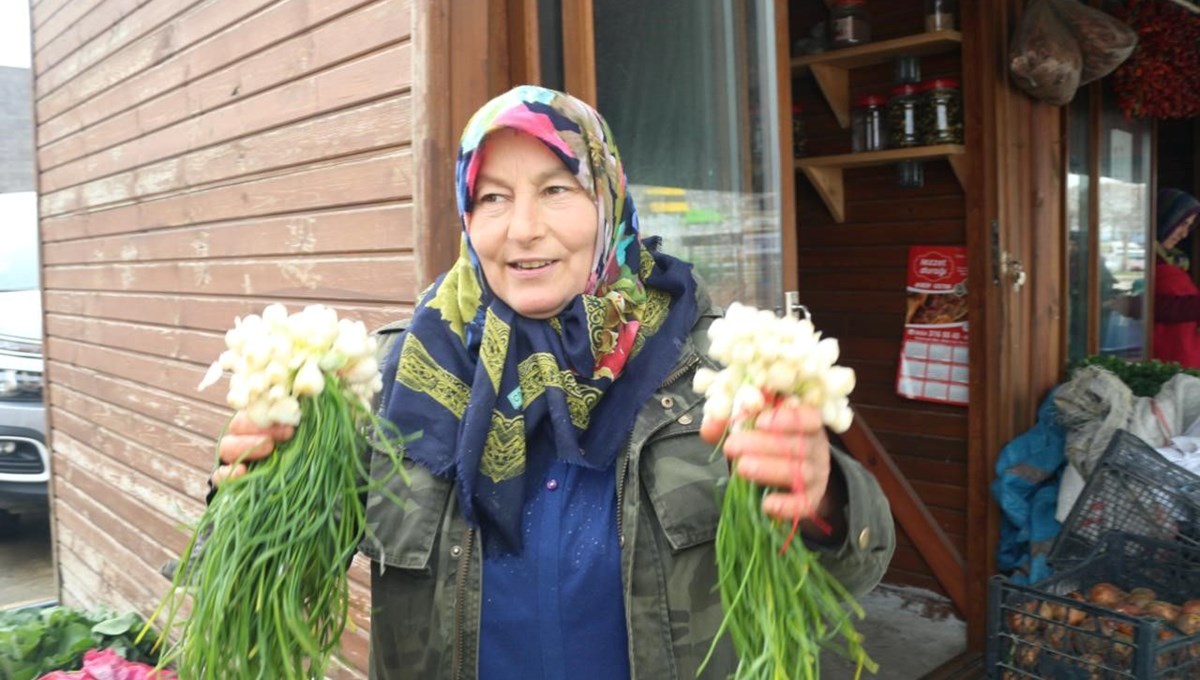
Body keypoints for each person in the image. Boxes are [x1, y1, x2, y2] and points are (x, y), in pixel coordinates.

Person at [214, 85, 895, 680]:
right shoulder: (399, 376)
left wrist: (825, 500)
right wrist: (250, 494)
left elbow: (853, 571)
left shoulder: (711, 363)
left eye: (556, 189)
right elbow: (279, 569)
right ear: (467, 216)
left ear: (608, 200)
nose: (523, 228)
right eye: (493, 197)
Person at [1151, 188, 1200, 367]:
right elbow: (1152, 305)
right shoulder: (1147, 261)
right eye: (1182, 223)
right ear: (1167, 218)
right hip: (1163, 365)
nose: (1184, 233)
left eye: (1189, 226)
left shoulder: (1175, 261)